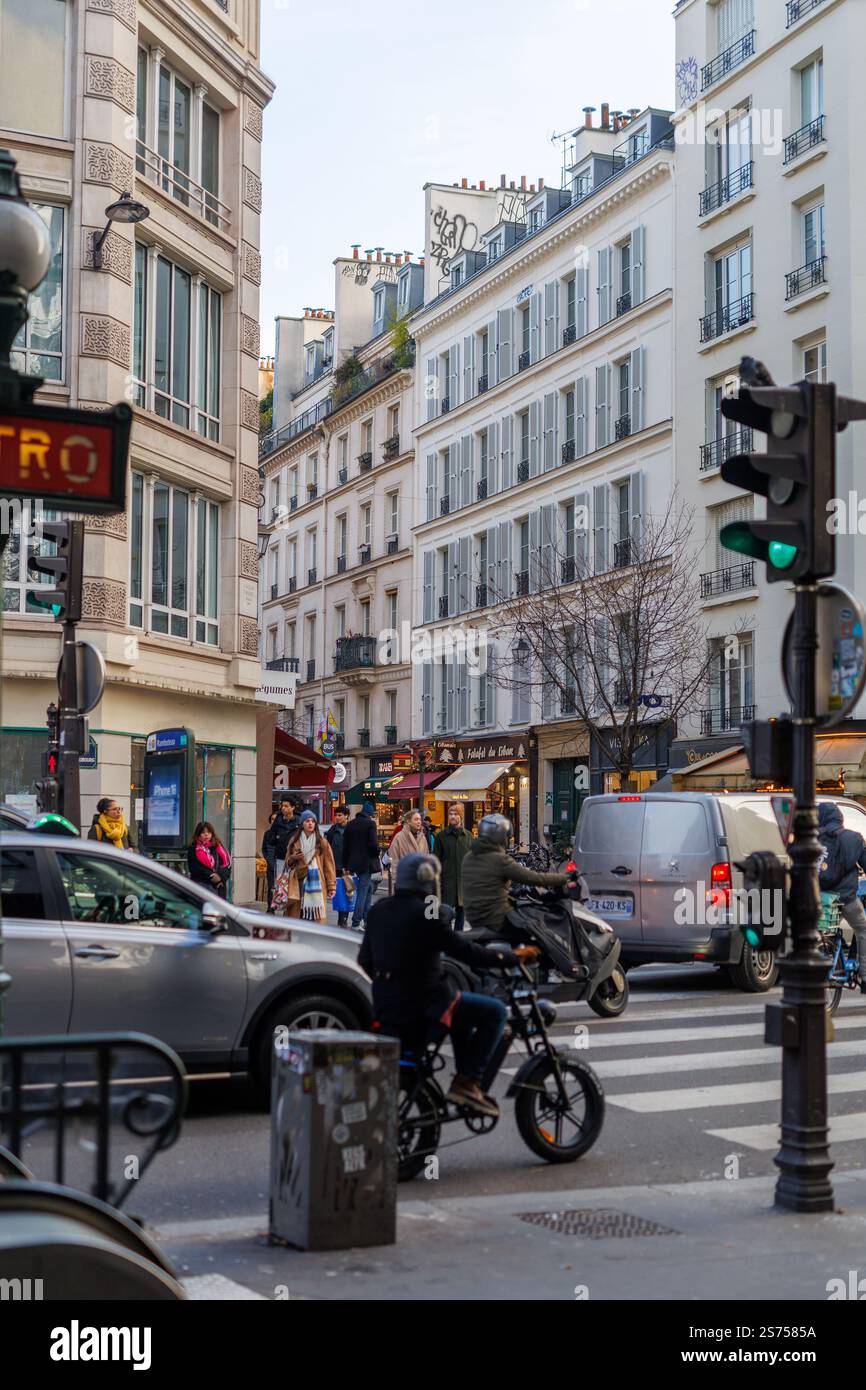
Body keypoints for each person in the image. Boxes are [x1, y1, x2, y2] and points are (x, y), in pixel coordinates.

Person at [358, 853, 538, 1118]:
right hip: (425, 1006)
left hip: (386, 1007)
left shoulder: (379, 910)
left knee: (460, 1009)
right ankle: (468, 1081)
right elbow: (467, 952)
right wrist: (512, 957)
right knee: (495, 1012)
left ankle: (463, 1079)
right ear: (429, 882)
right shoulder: (427, 915)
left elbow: (365, 960)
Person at [462, 813, 570, 934]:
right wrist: (564, 878)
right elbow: (533, 878)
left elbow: (485, 884)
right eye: (507, 837)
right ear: (500, 837)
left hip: (474, 917)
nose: (508, 840)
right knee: (537, 929)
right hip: (496, 917)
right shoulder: (499, 859)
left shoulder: (468, 857)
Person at [818, 801, 866, 992]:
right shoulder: (853, 839)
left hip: (819, 897)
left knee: (824, 929)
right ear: (840, 817)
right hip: (844, 897)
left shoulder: (813, 840)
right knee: (863, 929)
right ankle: (865, 976)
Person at [276, 810, 336, 922]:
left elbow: (329, 865)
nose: (310, 823)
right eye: (307, 821)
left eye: (313, 821)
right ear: (302, 824)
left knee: (314, 915)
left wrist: (331, 886)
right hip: (297, 883)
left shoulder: (322, 842)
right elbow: (287, 863)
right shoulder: (294, 841)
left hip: (317, 883)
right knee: (298, 915)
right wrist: (293, 858)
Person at [433, 804, 473, 930]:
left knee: (461, 914)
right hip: (447, 881)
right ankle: (447, 939)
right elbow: (436, 859)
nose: (452, 816)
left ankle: (458, 938)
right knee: (446, 914)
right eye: (450, 814)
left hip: (463, 882)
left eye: (456, 814)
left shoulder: (468, 836)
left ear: (460, 817)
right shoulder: (441, 836)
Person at [342, 801, 379, 931]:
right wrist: (377, 853)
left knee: (368, 889)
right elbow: (373, 844)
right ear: (369, 814)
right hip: (366, 863)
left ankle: (367, 920)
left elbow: (345, 846)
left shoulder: (350, 824)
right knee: (363, 892)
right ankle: (356, 922)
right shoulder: (370, 824)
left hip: (353, 862)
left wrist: (345, 864)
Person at [263, 798, 298, 911]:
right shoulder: (278, 821)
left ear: (292, 807)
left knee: (294, 885)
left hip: (294, 860)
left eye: (286, 806)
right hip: (280, 858)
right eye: (282, 806)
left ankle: (293, 908)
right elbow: (270, 838)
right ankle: (275, 907)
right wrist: (277, 838)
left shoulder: (299, 821)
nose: (283, 808)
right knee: (279, 884)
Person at [187, 822, 232, 898]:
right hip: (201, 885)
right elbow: (195, 867)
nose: (206, 834)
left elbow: (227, 865)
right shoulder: (193, 848)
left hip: (219, 886)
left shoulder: (217, 846)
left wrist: (220, 876)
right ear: (198, 834)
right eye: (203, 832)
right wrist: (212, 876)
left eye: (209, 832)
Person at [325, 806, 351, 927]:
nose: (338, 817)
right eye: (337, 815)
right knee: (337, 893)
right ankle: (341, 919)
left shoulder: (351, 829)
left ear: (346, 816)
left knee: (348, 893)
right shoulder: (332, 830)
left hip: (347, 867)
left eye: (340, 815)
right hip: (334, 867)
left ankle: (344, 918)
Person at [388, 809, 429, 885]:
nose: (419, 822)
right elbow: (394, 861)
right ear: (408, 821)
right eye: (416, 819)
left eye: (420, 819)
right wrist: (395, 881)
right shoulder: (399, 837)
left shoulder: (422, 838)